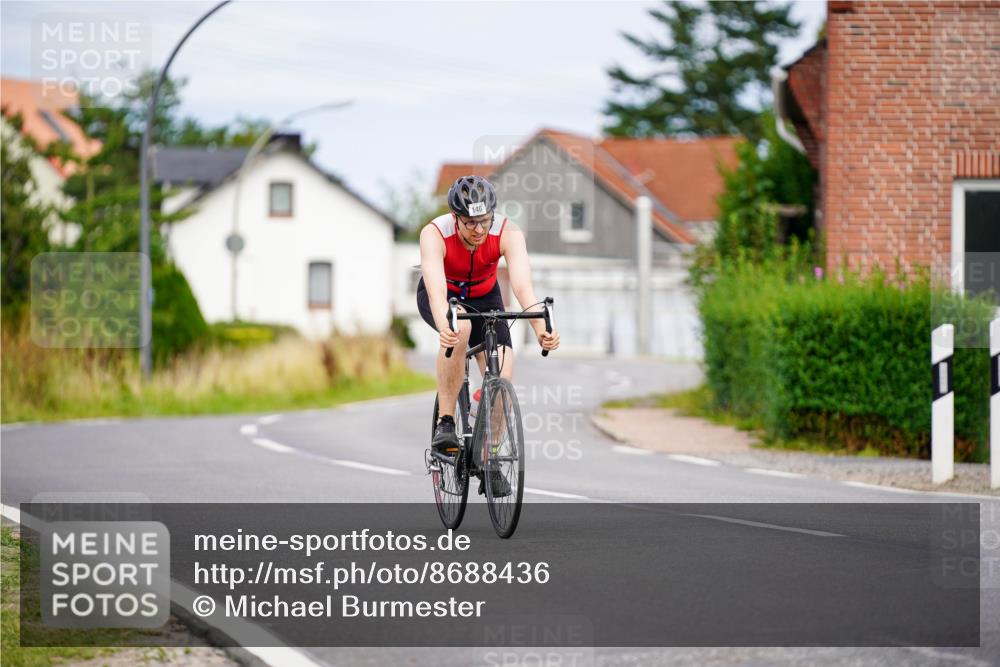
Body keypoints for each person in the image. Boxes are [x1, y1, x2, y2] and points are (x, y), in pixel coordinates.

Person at [417, 175, 560, 465]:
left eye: (485, 220)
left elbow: (522, 287)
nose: (480, 229)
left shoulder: (509, 232)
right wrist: (446, 327)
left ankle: (490, 456)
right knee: (461, 327)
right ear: (456, 217)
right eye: (471, 222)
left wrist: (541, 330)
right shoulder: (434, 234)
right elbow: (435, 289)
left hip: (486, 297)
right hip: (446, 295)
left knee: (502, 377)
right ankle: (446, 422)